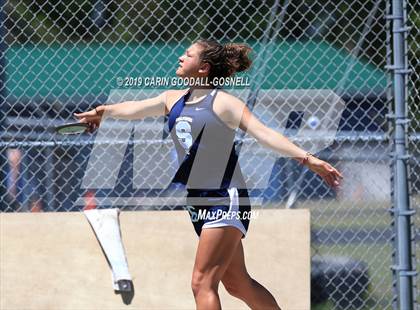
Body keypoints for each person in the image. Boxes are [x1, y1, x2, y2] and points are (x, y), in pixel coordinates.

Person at [75, 39, 343, 309]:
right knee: (237, 283)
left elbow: (266, 134)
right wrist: (103, 113)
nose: (180, 57)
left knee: (201, 282)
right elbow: (135, 108)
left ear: (203, 68)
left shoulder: (224, 103)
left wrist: (308, 159)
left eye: (188, 54)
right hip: (198, 199)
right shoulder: (173, 99)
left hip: (225, 198)